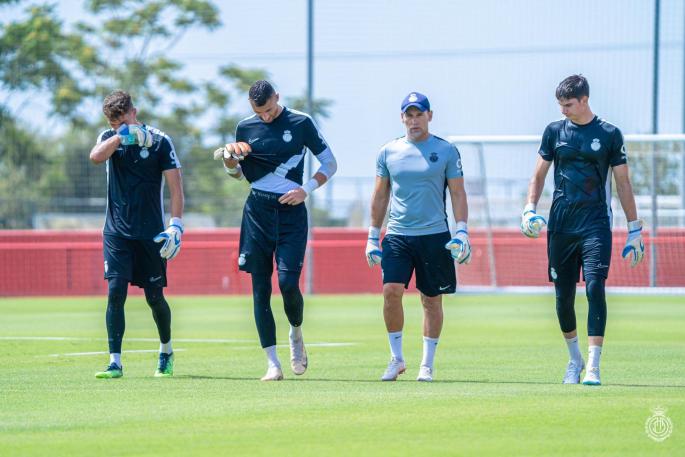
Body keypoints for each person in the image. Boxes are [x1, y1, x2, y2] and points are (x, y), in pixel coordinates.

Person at [521, 74, 645, 386]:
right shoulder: (554, 132)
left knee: (594, 288)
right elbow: (538, 176)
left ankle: (593, 366)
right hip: (561, 226)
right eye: (560, 105)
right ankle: (574, 359)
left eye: (568, 104)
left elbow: (623, 183)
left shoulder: (609, 134)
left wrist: (634, 229)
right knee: (563, 298)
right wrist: (529, 208)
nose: (563, 110)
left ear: (584, 100)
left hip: (596, 224)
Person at [214, 80, 337, 381]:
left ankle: (296, 332)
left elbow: (330, 164)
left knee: (287, 283)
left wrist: (306, 190)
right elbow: (237, 174)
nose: (265, 116)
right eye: (260, 112)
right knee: (260, 289)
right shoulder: (245, 127)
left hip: (292, 212)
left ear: (277, 98)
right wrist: (229, 161)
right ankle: (272, 363)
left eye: (269, 110)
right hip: (257, 211)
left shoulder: (301, 122)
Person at [365, 92, 470, 382]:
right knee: (391, 291)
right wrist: (372, 236)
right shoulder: (388, 152)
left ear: (429, 116)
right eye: (409, 115)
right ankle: (396, 358)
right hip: (398, 235)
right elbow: (380, 195)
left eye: (419, 114)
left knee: (431, 300)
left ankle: (427, 364)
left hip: (435, 235)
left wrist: (462, 230)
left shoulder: (446, 150)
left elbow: (458, 192)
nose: (414, 120)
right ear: (402, 118)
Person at [89, 90, 185, 379]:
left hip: (151, 233)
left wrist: (176, 225)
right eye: (113, 122)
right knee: (115, 292)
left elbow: (176, 189)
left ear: (134, 112)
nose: (119, 126)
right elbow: (95, 157)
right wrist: (120, 136)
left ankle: (166, 351)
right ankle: (115, 363)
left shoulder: (160, 141)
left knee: (155, 298)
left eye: (123, 120)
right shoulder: (109, 137)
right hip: (116, 232)